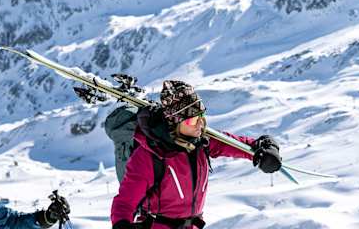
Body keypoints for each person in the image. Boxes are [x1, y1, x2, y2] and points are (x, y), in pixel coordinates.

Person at [110, 80, 283, 228]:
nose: (200, 124)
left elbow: (241, 145)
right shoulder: (150, 155)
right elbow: (124, 203)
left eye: (202, 115)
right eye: (192, 119)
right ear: (175, 122)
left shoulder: (202, 142)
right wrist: (122, 224)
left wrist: (265, 148)